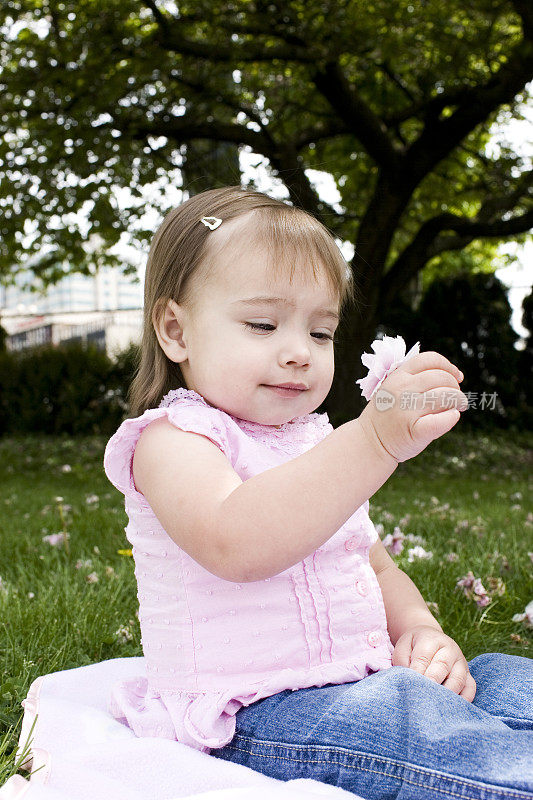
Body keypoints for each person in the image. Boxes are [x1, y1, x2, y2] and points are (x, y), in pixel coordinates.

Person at [103, 185, 533, 800]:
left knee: (506, 682)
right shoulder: (172, 441)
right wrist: (372, 443)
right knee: (413, 728)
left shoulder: (313, 442)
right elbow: (236, 541)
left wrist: (418, 628)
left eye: (322, 332)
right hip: (254, 713)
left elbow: (371, 562)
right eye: (262, 323)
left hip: (366, 684)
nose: (299, 352)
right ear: (176, 330)